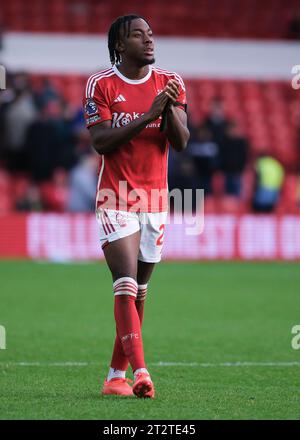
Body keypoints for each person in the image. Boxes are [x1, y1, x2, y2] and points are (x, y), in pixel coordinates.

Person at [83, 14, 189, 398]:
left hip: (156, 199)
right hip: (115, 196)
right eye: (138, 35)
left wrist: (169, 110)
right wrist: (147, 114)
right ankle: (141, 372)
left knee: (140, 290)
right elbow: (102, 141)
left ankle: (115, 375)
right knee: (125, 284)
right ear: (119, 45)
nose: (148, 40)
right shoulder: (102, 84)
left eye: (150, 34)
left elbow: (180, 142)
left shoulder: (170, 83)